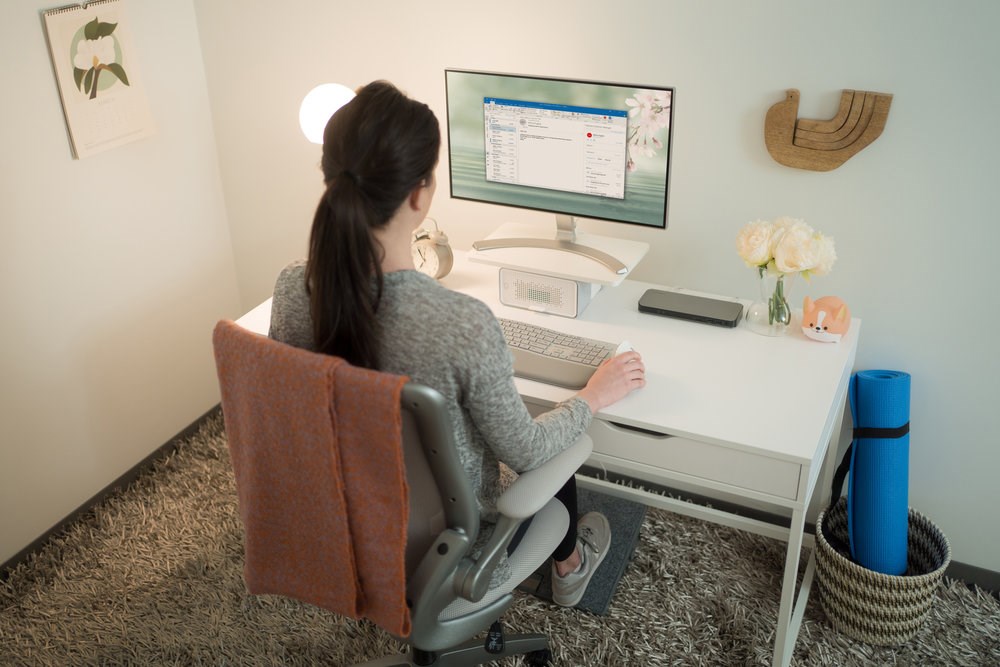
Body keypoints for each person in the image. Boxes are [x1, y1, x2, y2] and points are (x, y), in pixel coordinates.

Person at [268, 80, 646, 607]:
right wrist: (593, 396)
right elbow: (528, 451)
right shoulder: (462, 324)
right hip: (452, 555)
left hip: (346, 531)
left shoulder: (293, 288)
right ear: (421, 194)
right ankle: (572, 565)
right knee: (550, 429)